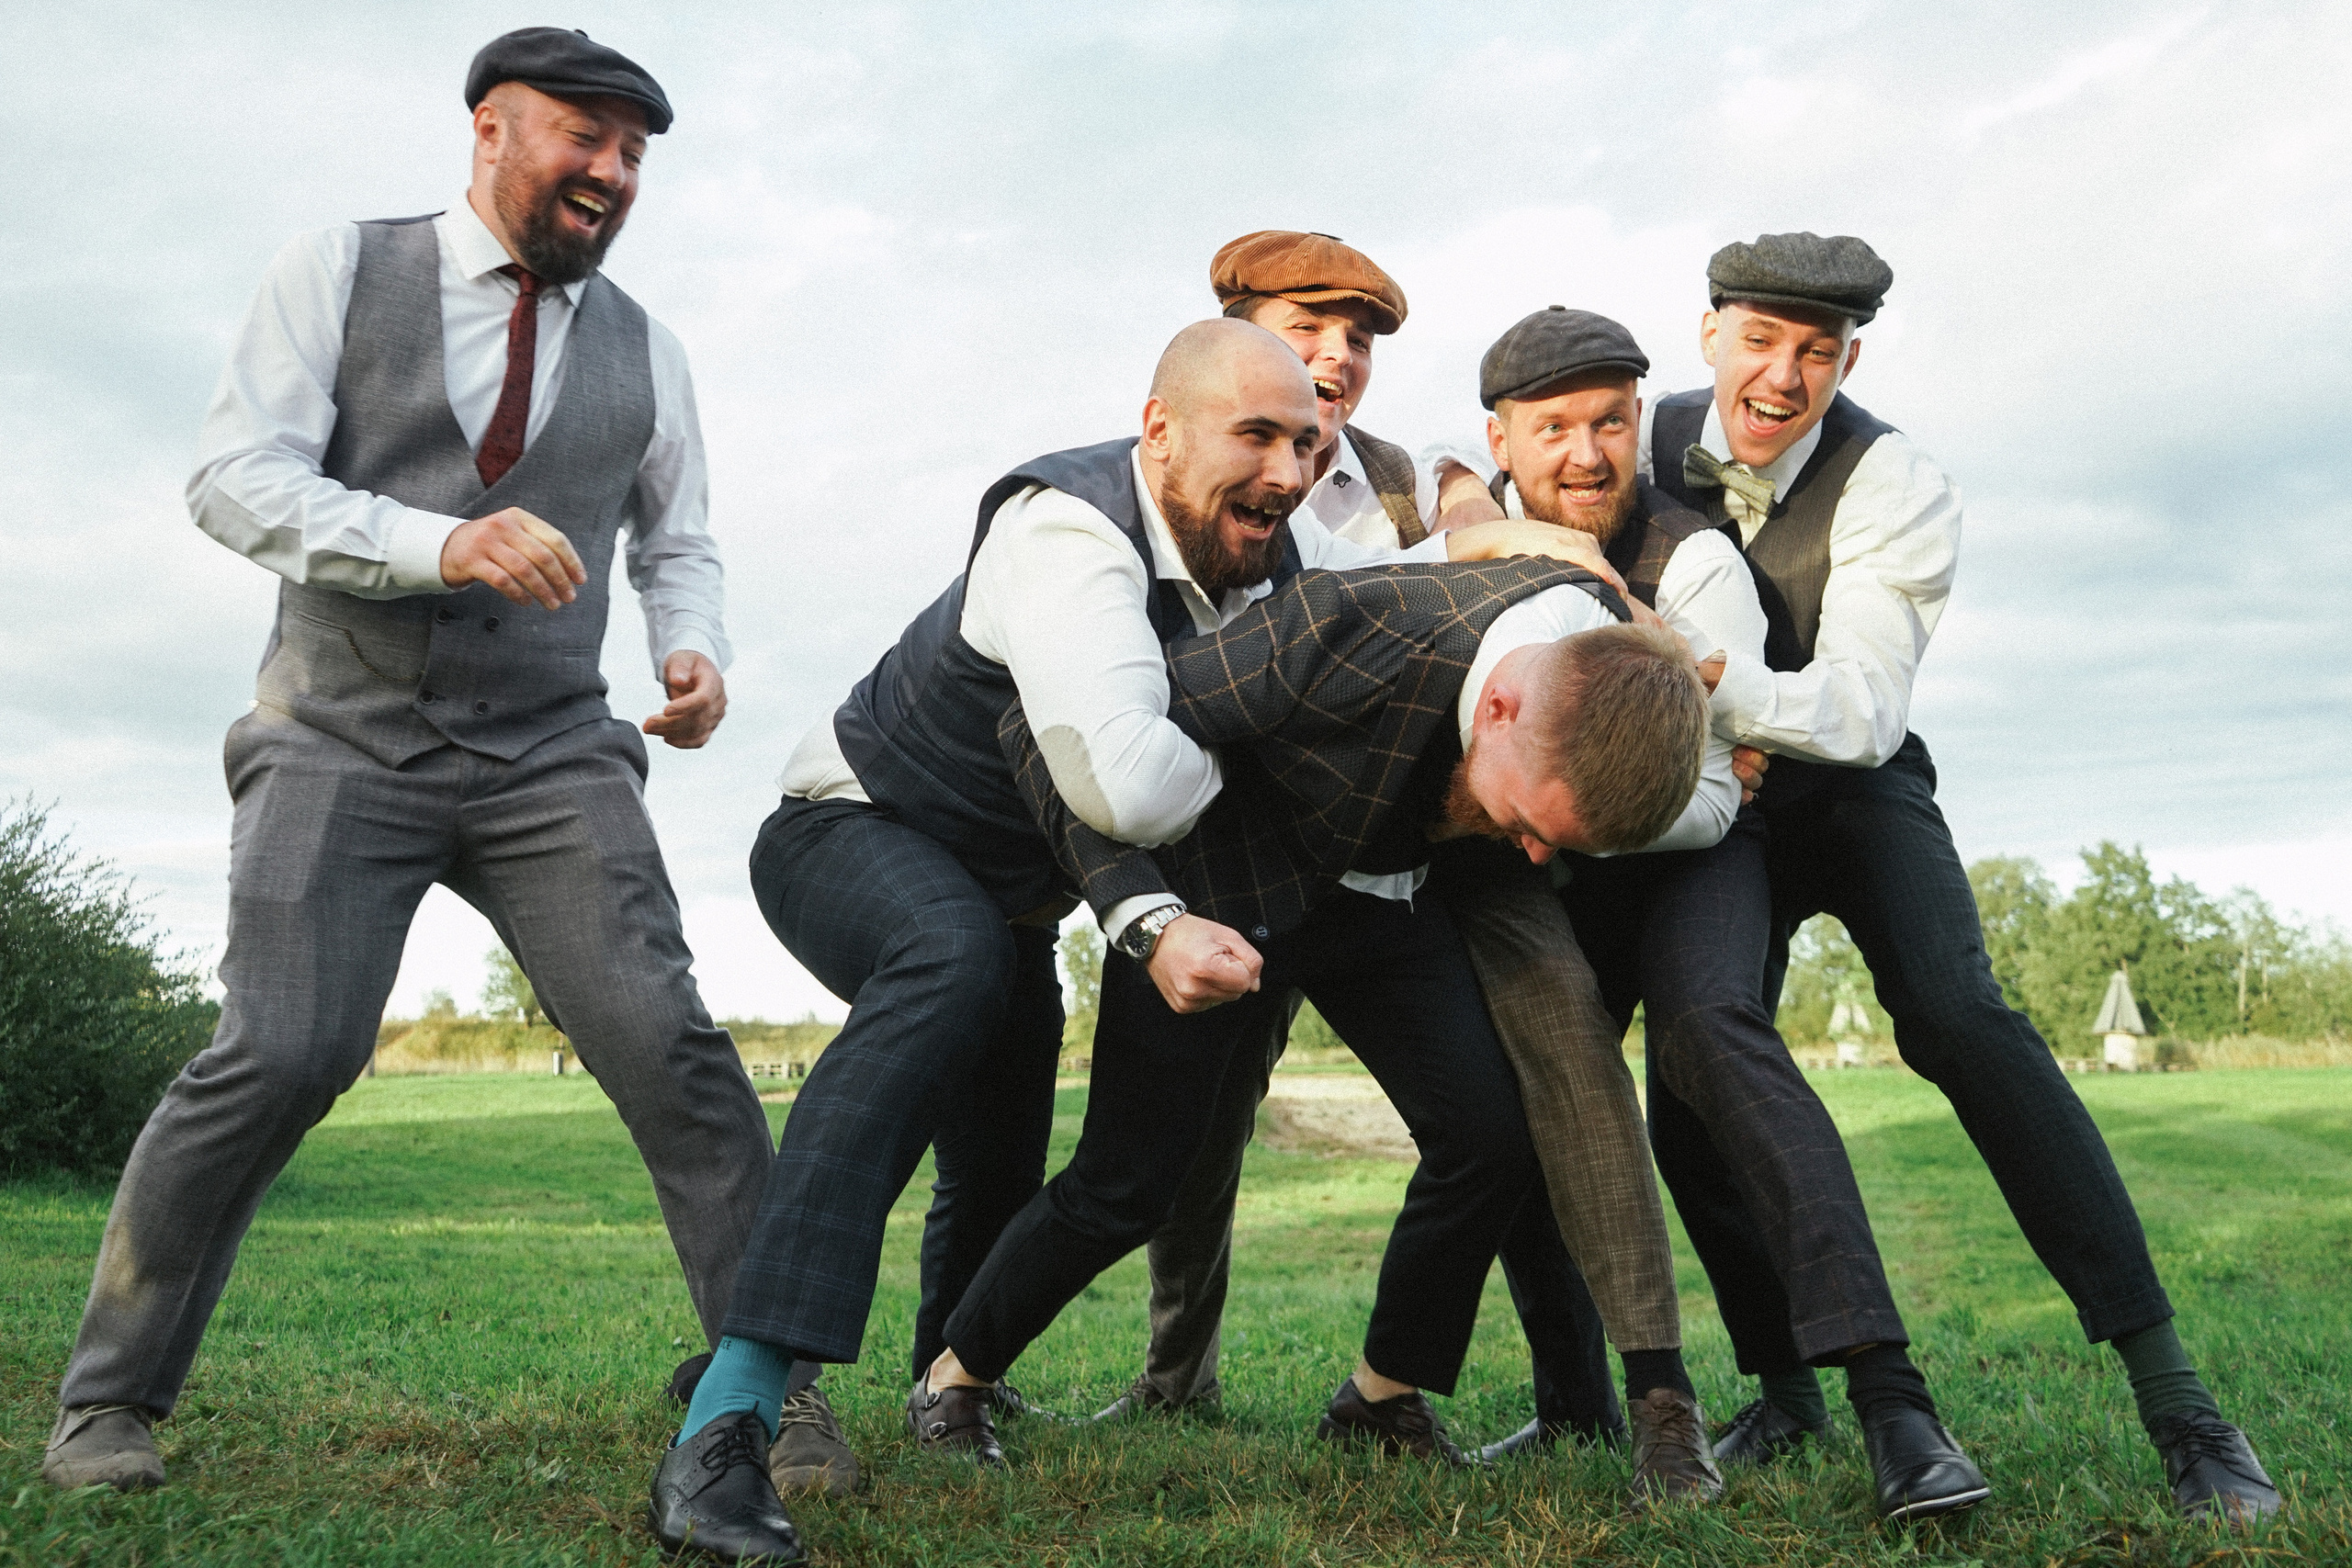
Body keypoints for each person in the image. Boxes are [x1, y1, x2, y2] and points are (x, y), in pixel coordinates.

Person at [650, 318, 1613, 1561]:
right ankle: (737, 1412)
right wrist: (1273, 753)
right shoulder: (1066, 532)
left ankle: (950, 1391)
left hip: (1021, 895)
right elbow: (1130, 791)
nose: (1285, 468)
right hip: (860, 822)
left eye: (1306, 445)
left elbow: (1408, 585)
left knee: (998, 1156)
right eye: (1255, 435)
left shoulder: (1275, 545)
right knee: (952, 971)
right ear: (1160, 431)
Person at [40, 25, 784, 1528]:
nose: (612, 173)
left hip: (550, 751)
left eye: (634, 154)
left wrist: (691, 652)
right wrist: (435, 542)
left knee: (674, 1049)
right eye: (584, 137)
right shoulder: (337, 269)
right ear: (491, 128)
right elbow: (232, 479)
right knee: (280, 1054)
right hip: (338, 732)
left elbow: (678, 539)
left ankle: (762, 1388)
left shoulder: (650, 347)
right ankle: (111, 1395)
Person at [1638, 231, 2278, 1524]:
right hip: (1724, 804)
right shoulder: (1638, 442)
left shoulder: (1897, 481)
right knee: (1690, 1088)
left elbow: (1865, 712)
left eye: (1817, 353)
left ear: (1850, 360)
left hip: (1853, 786)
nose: (1782, 376)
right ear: (1709, 334)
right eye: (1760, 340)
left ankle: (2183, 1407)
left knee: (1962, 1021)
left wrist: (1700, 680)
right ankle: (1790, 1383)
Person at [1081, 241, 1687, 1470]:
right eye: (1310, 327)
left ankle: (1612, 1391)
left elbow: (1492, 562)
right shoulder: (1178, 466)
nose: (1338, 356)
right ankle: (1173, 1372)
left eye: (1361, 338)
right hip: (1238, 830)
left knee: (1541, 1062)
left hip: (1439, 830)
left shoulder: (1408, 479)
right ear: (1237, 334)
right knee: (1198, 1119)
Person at [1466, 306, 1992, 1522]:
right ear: (1501, 436)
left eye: (1614, 422)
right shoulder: (1466, 539)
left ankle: (1894, 1408)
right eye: (1556, 429)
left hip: (1697, 837)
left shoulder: (1691, 556)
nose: (1591, 454)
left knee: (1712, 1038)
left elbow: (1713, 776)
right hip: (1553, 860)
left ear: (1643, 420)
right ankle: (1571, 1399)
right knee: (1524, 1079)